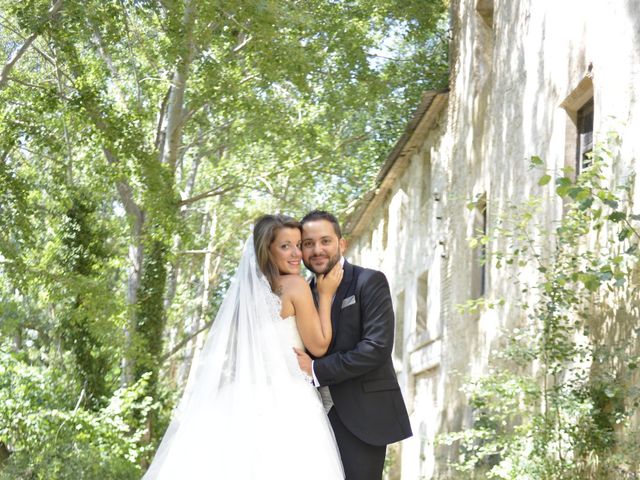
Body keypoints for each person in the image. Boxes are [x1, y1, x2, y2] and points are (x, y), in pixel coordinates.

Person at [143, 214, 345, 479]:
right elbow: (319, 347)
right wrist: (327, 294)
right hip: (290, 401)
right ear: (267, 250)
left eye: (298, 245)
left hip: (243, 398)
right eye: (286, 246)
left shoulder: (245, 298)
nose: (297, 254)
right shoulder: (295, 286)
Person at [294, 210, 412, 480]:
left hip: (363, 416)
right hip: (311, 418)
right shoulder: (301, 294)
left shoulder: (369, 281)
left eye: (325, 241)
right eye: (308, 244)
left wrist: (316, 369)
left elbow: (376, 347)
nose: (317, 250)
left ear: (341, 243)